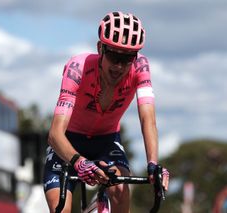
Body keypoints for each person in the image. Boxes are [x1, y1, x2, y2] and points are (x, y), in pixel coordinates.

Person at [43, 11, 170, 213]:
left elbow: (148, 119)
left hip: (106, 141)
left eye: (127, 58)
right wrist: (79, 162)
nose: (119, 66)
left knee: (120, 191)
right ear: (100, 48)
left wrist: (153, 164)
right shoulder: (77, 68)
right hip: (69, 142)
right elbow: (55, 134)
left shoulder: (141, 67)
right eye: (114, 56)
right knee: (61, 208)